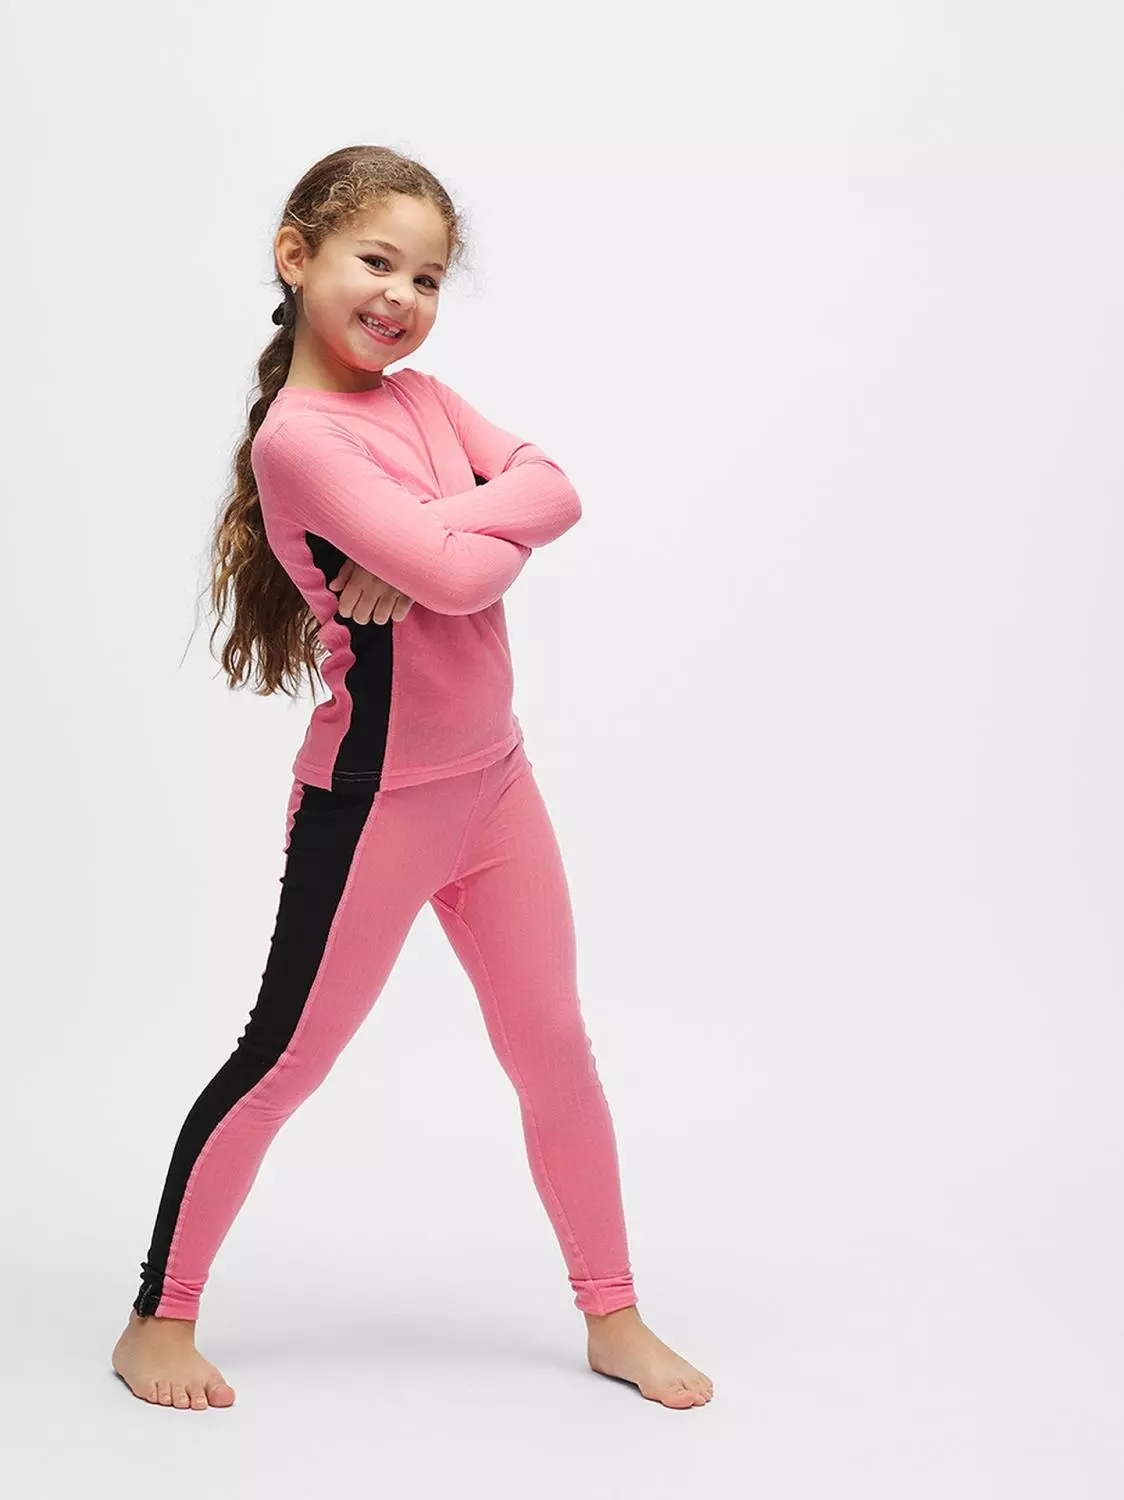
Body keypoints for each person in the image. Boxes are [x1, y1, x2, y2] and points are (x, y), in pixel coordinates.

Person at [111, 144, 713, 1412]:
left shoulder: (426, 401)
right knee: (282, 1062)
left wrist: (438, 537)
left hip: (495, 786)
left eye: (427, 277)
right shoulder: (300, 441)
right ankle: (157, 1320)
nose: (400, 295)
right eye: (375, 262)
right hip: (374, 803)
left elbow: (557, 490)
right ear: (296, 257)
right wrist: (458, 542)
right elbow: (466, 572)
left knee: (555, 1051)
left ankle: (612, 1315)